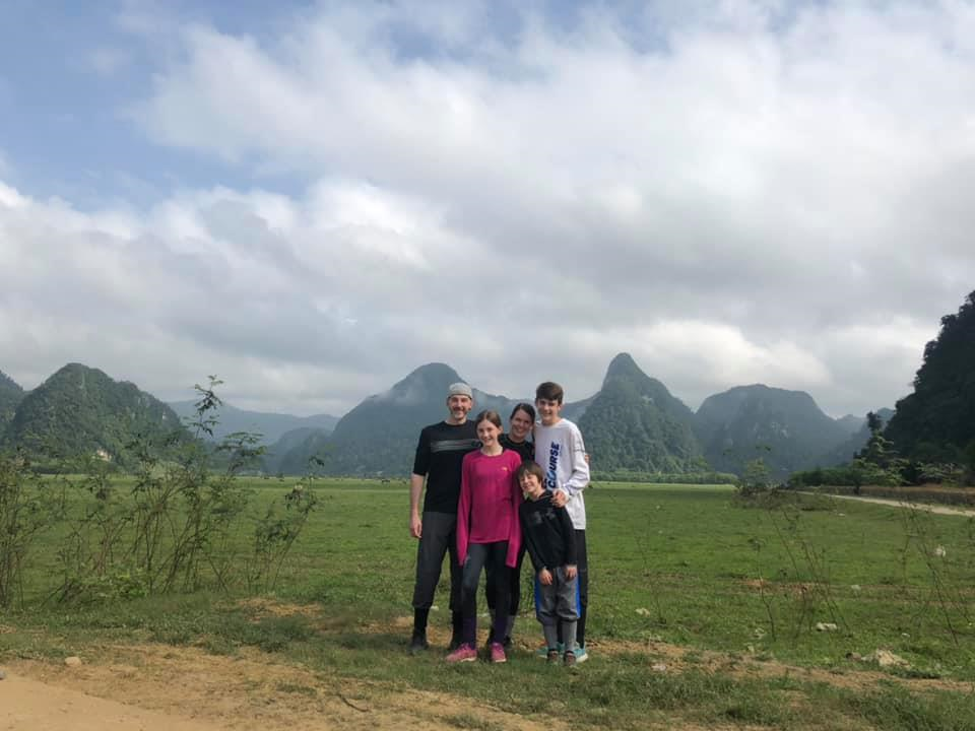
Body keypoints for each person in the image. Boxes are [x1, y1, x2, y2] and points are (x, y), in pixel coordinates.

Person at [408, 382, 481, 654]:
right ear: (447, 403)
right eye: (454, 400)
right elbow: (418, 474)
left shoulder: (479, 431)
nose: (459, 405)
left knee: (462, 573)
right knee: (427, 571)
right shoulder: (430, 434)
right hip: (435, 512)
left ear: (471, 404)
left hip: (468, 515)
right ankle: (418, 633)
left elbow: (508, 448)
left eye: (464, 400)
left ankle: (458, 635)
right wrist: (414, 512)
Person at [446, 410, 523, 663]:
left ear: (499, 430)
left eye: (490, 429)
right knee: (467, 584)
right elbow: (464, 501)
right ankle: (469, 644)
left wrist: (514, 540)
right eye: (481, 431)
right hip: (476, 537)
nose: (486, 434)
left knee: (500, 588)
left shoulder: (513, 459)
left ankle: (498, 642)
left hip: (503, 534)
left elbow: (516, 502)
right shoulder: (470, 460)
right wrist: (462, 538)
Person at [533, 381, 591, 662]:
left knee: (574, 578)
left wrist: (564, 493)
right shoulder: (537, 430)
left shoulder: (569, 430)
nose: (546, 408)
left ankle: (577, 643)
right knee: (551, 582)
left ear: (560, 406)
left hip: (571, 518)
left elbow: (583, 473)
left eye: (551, 404)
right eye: (542, 402)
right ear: (537, 403)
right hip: (546, 521)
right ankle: (555, 644)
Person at [517, 460, 579, 666]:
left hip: (565, 564)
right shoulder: (524, 509)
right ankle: (552, 649)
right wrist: (539, 568)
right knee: (546, 608)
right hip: (544, 569)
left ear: (539, 479)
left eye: (529, 477)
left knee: (568, 606)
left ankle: (570, 650)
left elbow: (569, 532)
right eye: (522, 479)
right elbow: (530, 542)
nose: (526, 482)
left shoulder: (554, 500)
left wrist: (572, 561)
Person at [486, 402, 535, 648]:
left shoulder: (533, 450)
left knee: (511, 576)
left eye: (526, 422)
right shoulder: (495, 441)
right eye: (518, 419)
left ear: (531, 426)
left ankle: (505, 633)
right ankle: (494, 628)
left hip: (520, 521)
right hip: (491, 521)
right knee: (492, 577)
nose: (521, 425)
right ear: (511, 419)